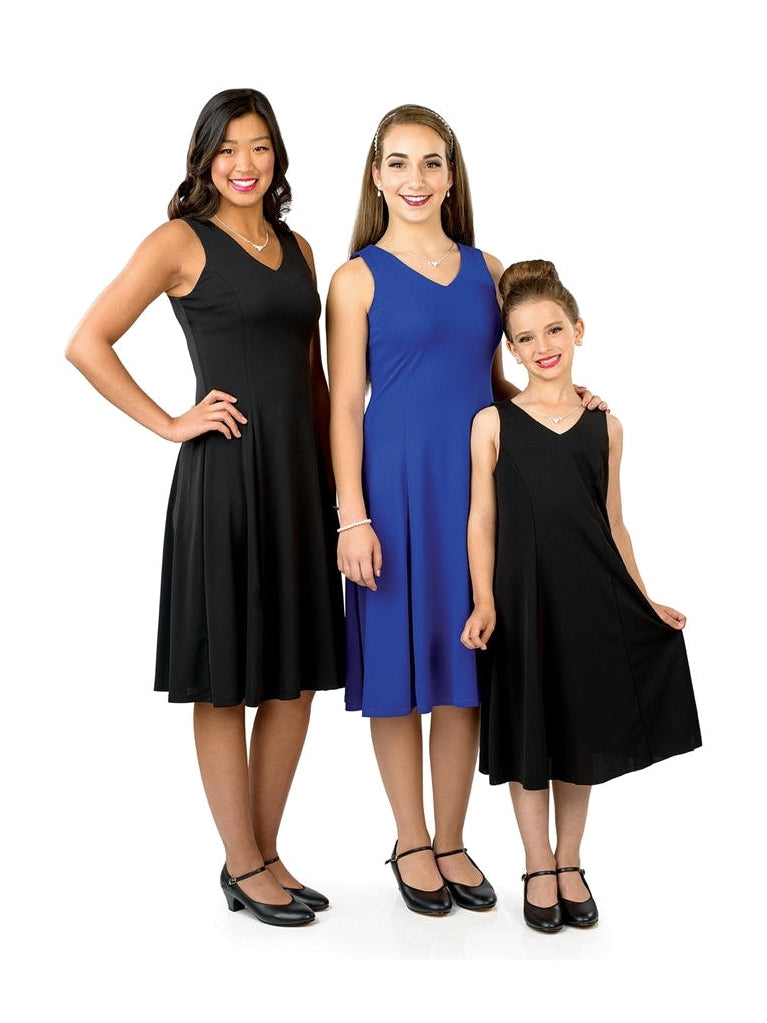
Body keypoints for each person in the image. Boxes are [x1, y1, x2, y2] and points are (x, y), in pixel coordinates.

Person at [65, 88, 345, 927]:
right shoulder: (179, 242)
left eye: (258, 147)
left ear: (276, 155)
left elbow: (314, 377)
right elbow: (86, 342)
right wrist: (170, 422)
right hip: (224, 481)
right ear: (205, 159)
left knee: (296, 678)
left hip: (299, 482)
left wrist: (342, 491)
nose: (244, 164)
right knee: (225, 683)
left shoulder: (298, 247)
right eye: (227, 149)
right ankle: (243, 861)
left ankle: (261, 851)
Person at [326, 105, 604, 915]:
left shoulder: (489, 268)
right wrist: (351, 516)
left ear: (451, 175)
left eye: (431, 162)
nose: (415, 179)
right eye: (398, 162)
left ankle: (450, 838)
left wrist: (562, 399)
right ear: (376, 175)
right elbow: (343, 406)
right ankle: (410, 838)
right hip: (391, 491)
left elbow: (497, 380)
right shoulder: (355, 278)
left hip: (478, 490)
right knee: (394, 670)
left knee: (462, 667)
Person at [460, 259, 702, 932]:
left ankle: (570, 860)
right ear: (510, 351)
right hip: (521, 601)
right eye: (525, 338)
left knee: (577, 728)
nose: (542, 347)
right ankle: (536, 862)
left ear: (578, 330)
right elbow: (481, 520)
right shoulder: (492, 423)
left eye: (553, 330)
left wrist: (642, 599)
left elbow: (613, 523)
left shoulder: (606, 426)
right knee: (529, 729)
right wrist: (484, 600)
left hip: (589, 598)